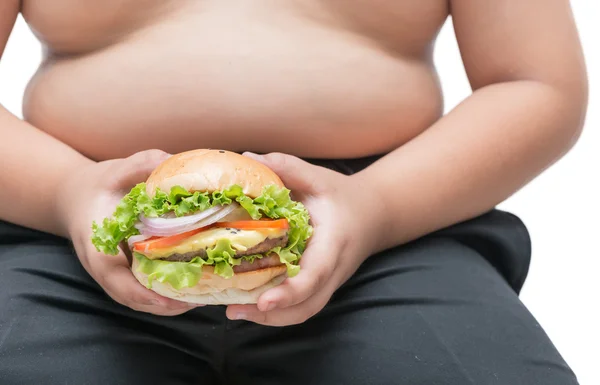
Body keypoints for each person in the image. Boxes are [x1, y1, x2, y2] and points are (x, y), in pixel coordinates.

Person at [0, 1, 587, 384]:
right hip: (65, 224)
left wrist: (377, 208)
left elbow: (534, 85)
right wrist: (66, 193)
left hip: (393, 224)